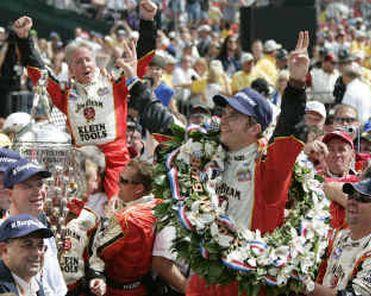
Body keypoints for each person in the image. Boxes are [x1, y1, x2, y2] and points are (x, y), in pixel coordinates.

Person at [129, 31, 310, 295]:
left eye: (234, 116)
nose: (223, 119)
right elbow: (167, 128)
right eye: (224, 112)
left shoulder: (269, 167)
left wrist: (295, 83)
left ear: (254, 128)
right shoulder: (207, 152)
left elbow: (288, 132)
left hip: (246, 284)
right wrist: (134, 82)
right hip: (204, 281)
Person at [12, 0, 157, 200]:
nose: (85, 64)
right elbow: (39, 74)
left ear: (96, 63)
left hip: (117, 165)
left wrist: (147, 20)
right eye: (79, 62)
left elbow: (139, 64)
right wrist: (24, 38)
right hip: (83, 168)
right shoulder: (64, 93)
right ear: (71, 70)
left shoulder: (114, 82)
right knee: (74, 222)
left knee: (117, 218)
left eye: (88, 59)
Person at [311, 177, 371, 295]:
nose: (352, 201)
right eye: (351, 195)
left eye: (362, 199)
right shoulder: (342, 234)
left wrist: (305, 286)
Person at [88, 159, 161, 296]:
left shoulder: (124, 219)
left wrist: (107, 219)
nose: (117, 183)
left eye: (123, 180)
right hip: (144, 287)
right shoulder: (158, 206)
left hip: (117, 290)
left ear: (139, 189)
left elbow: (99, 251)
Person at [3, 158, 67, 296]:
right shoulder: (3, 236)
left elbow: (56, 287)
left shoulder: (43, 229)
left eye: (40, 184)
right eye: (27, 186)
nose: (37, 191)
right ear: (9, 194)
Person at [0, 214, 53, 295]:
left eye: (40, 245)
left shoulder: (36, 285)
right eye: (28, 245)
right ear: (4, 250)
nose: (37, 253)